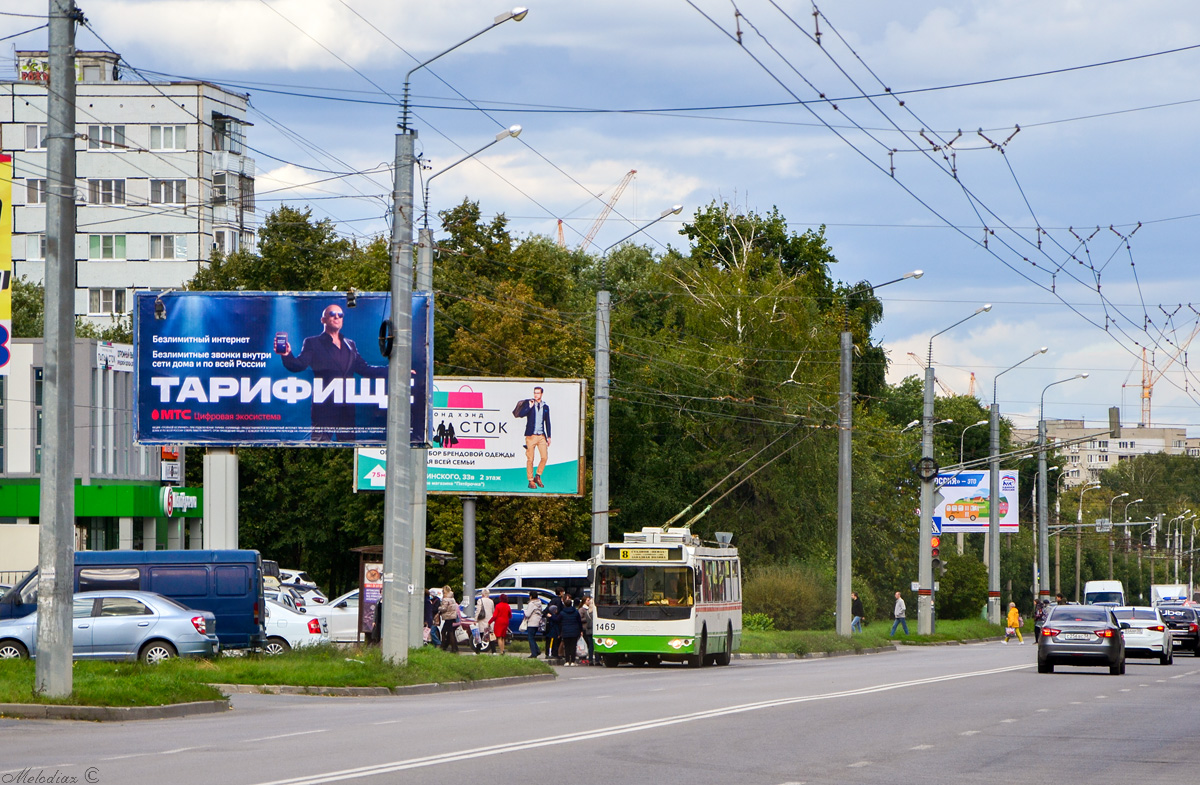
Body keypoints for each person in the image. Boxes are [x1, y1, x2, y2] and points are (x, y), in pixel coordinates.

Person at [277, 303, 387, 441]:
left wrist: (396, 371)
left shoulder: (350, 344)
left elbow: (365, 369)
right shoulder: (313, 342)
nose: (336, 317)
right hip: (324, 408)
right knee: (319, 446)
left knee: (348, 448)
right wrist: (286, 354)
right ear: (323, 319)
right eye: (332, 314)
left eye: (340, 315)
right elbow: (298, 365)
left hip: (346, 409)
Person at [513, 386, 551, 489]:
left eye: (538, 393)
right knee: (530, 459)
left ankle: (537, 475)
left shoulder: (545, 407)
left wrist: (549, 436)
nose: (536, 395)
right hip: (531, 436)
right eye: (535, 393)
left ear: (541, 394)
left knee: (544, 457)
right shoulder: (530, 404)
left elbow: (547, 422)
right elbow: (520, 415)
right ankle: (530, 480)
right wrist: (529, 407)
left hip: (541, 435)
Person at [558, 597, 583, 666]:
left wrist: (560, 631)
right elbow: (579, 622)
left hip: (565, 631)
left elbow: (559, 622)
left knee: (566, 647)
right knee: (573, 646)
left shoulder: (562, 613)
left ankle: (566, 661)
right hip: (574, 631)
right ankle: (572, 661)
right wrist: (580, 630)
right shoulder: (575, 612)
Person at [438, 585, 461, 653]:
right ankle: (453, 648)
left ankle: (445, 647)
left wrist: (439, 608)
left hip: (448, 617)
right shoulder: (452, 598)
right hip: (452, 617)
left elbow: (444, 608)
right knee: (451, 632)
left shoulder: (445, 599)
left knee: (445, 632)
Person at [523, 592, 544, 659]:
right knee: (532, 637)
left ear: (531, 596)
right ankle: (537, 650)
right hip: (538, 621)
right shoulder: (539, 603)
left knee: (530, 637)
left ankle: (534, 653)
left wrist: (524, 611)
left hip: (532, 622)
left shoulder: (531, 603)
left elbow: (528, 614)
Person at [579, 594, 595, 664]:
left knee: (589, 644)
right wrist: (587, 619)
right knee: (587, 644)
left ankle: (588, 658)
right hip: (585, 628)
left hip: (588, 629)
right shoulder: (582, 609)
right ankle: (583, 657)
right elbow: (580, 619)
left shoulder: (589, 609)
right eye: (587, 600)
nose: (588, 602)